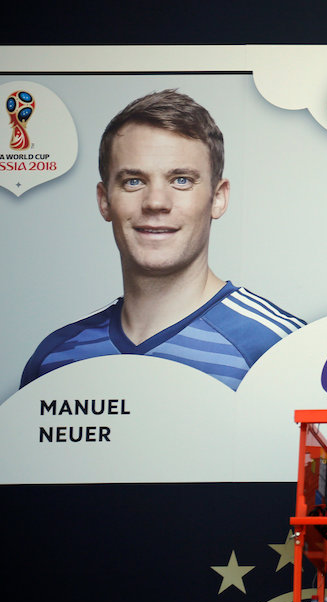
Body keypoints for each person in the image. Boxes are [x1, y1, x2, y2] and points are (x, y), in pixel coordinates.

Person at [20, 89, 303, 391]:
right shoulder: (56, 360)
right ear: (104, 201)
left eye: (181, 180)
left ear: (218, 199)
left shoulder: (280, 349)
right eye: (134, 181)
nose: (155, 202)